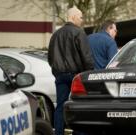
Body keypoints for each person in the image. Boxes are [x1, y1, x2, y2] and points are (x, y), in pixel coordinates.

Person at [48, 6, 94, 135]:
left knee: (61, 106)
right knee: (79, 105)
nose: (82, 20)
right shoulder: (79, 32)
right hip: (76, 76)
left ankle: (58, 132)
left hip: (60, 76)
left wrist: (56, 72)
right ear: (73, 17)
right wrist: (88, 74)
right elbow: (86, 56)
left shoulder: (56, 34)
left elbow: (50, 57)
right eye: (80, 17)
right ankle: (78, 132)